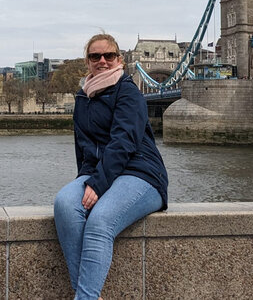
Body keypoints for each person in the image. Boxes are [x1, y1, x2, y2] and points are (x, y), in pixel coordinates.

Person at [53, 33, 168, 300]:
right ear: (87, 62)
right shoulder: (83, 97)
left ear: (120, 60)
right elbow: (83, 149)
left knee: (100, 220)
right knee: (65, 204)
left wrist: (98, 184)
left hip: (141, 173)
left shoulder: (128, 91)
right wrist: (83, 181)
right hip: (100, 174)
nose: (102, 61)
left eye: (109, 55)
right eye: (95, 56)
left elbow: (124, 141)